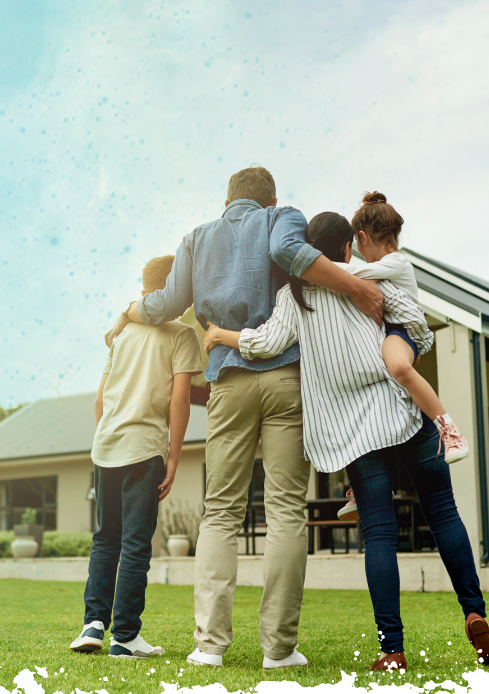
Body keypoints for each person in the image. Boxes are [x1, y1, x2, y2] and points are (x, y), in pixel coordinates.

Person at [104, 166, 385, 671]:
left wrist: (131, 309)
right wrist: (356, 288)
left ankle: (210, 646)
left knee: (221, 513)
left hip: (227, 382)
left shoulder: (196, 237)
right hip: (284, 380)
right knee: (284, 511)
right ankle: (278, 649)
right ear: (271, 199)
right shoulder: (283, 217)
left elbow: (168, 303)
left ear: (227, 201)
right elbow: (287, 254)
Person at [204, 212, 489, 672]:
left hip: (353, 432)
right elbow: (413, 323)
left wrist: (220, 335)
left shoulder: (292, 296)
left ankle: (392, 649)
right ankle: (474, 610)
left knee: (379, 533)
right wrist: (404, 344)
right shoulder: (365, 281)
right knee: (442, 511)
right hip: (400, 408)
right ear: (348, 247)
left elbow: (265, 343)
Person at [70, 255, 202, 658]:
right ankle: (124, 636)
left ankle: (93, 625)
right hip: (144, 450)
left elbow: (99, 401)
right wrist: (174, 456)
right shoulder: (182, 335)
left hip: (106, 446)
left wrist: (107, 439)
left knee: (105, 538)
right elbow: (180, 399)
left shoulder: (121, 334)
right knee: (135, 544)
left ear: (144, 291)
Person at [335, 191, 468, 522]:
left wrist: (312, 265)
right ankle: (358, 486)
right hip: (384, 336)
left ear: (363, 237)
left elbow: (350, 277)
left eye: (357, 243)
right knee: (368, 403)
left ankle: (449, 429)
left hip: (401, 334)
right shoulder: (383, 264)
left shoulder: (396, 262)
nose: (359, 252)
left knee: (397, 367)